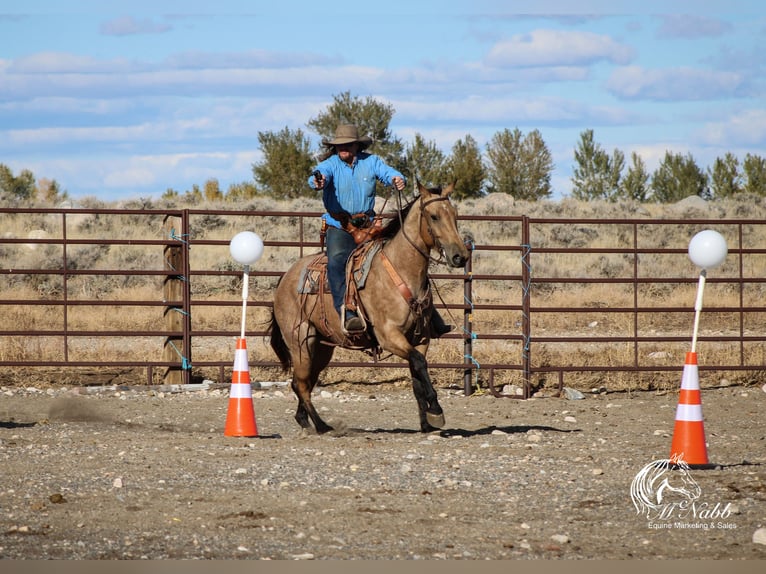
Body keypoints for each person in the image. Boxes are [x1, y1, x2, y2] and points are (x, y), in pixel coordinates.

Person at [309, 124, 452, 337]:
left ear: (357, 145)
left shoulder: (371, 162)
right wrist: (317, 180)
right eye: (339, 146)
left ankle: (429, 314)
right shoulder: (330, 165)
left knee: (401, 259)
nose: (343, 149)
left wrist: (396, 178)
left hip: (369, 226)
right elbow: (319, 177)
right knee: (338, 260)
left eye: (348, 144)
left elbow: (387, 172)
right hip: (339, 225)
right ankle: (347, 313)